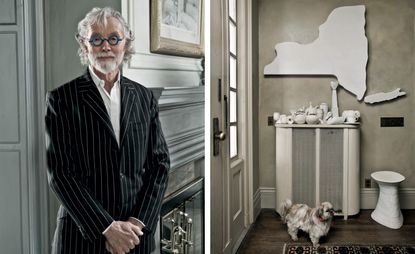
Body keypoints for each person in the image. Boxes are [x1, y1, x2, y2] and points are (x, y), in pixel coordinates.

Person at [45, 7, 170, 254]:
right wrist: (107, 227)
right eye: (96, 39)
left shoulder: (144, 97)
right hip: (83, 237)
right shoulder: (61, 99)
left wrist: (139, 222)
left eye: (114, 38)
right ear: (84, 44)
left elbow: (160, 164)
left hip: (136, 236)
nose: (106, 46)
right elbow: (61, 173)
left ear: (126, 43)